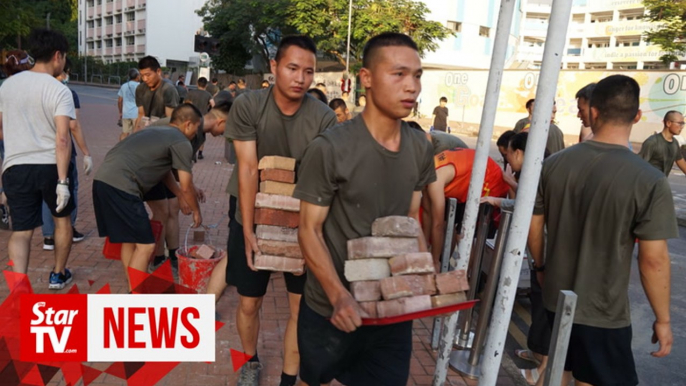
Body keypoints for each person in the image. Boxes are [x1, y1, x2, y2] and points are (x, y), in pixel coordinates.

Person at [295, 32, 435, 386]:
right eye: (399, 74)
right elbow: (308, 230)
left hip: (390, 309)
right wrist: (338, 296)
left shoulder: (420, 146)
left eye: (417, 75)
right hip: (332, 308)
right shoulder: (330, 148)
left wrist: (419, 278)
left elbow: (410, 221)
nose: (412, 86)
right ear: (367, 78)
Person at [529, 75, 675, 386]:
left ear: (593, 111)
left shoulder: (554, 164)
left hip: (556, 299)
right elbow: (653, 260)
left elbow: (535, 224)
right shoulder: (648, 180)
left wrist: (541, 266)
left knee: (556, 372)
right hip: (603, 310)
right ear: (636, 116)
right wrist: (662, 319)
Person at [224, 35, 337, 386]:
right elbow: (247, 167)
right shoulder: (248, 104)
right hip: (249, 207)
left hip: (301, 216)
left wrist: (311, 237)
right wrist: (247, 229)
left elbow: (321, 182)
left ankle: (289, 379)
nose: (300, 78)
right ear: (274, 68)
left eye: (308, 71)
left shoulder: (324, 118)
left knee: (299, 308)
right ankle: (251, 362)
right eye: (292, 68)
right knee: (248, 303)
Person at [93, 104, 203, 291]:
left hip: (102, 181)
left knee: (129, 240)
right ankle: (136, 297)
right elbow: (186, 184)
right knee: (146, 246)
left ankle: (132, 288)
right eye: (196, 129)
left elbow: (164, 172)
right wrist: (196, 212)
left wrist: (178, 194)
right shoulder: (180, 141)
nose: (196, 135)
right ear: (188, 124)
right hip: (123, 187)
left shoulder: (159, 131)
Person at [0, 29, 75, 289]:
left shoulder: (7, 86)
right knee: (61, 220)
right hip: (50, 166)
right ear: (57, 56)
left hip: (15, 167)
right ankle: (58, 274)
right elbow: (62, 139)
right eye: (64, 58)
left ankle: (19, 288)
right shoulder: (59, 89)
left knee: (21, 231)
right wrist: (63, 181)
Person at [481, 132, 551, 385]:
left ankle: (544, 367)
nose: (507, 159)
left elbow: (530, 206)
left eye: (508, 154)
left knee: (545, 305)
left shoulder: (542, 174)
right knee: (540, 301)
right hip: (541, 251)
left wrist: (509, 184)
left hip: (547, 250)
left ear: (519, 153)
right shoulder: (539, 172)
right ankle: (538, 354)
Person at [422, 148, 509, 265]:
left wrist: (434, 261)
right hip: (467, 178)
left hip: (489, 183)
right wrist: (423, 248)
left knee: (463, 235)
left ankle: (469, 276)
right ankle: (444, 263)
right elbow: (427, 213)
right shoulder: (426, 171)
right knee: (449, 223)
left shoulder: (435, 180)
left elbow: (437, 225)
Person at [133, 55, 181, 269]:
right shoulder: (140, 90)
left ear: (158, 72)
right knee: (161, 209)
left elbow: (173, 123)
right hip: (148, 154)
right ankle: (159, 255)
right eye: (142, 75)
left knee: (173, 208)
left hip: (167, 152)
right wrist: (135, 134)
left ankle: (174, 253)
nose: (145, 79)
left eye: (148, 75)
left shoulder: (169, 90)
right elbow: (140, 116)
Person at [41, 58, 92, 250]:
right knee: (69, 189)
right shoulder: (67, 93)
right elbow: (73, 125)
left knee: (47, 193)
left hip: (41, 152)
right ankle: (68, 230)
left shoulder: (40, 91)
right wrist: (86, 152)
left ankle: (48, 236)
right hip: (63, 151)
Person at [639, 111, 686, 177]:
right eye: (679, 123)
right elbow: (639, 165)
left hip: (661, 184)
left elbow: (681, 162)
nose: (682, 127)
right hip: (648, 185)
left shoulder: (675, 143)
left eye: (683, 123)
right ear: (668, 123)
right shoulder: (652, 142)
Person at [184, 76, 215, 160]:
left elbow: (186, 103)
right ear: (206, 85)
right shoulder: (208, 94)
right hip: (203, 118)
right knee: (201, 136)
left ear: (197, 83)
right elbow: (213, 105)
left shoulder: (191, 93)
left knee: (190, 134)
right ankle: (200, 153)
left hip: (192, 116)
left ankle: (191, 152)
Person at [118, 68, 140, 140]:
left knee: (125, 133)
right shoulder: (140, 86)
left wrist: (120, 112)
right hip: (136, 114)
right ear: (137, 76)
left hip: (126, 113)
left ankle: (120, 147)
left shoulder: (124, 86)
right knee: (136, 134)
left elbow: (119, 101)